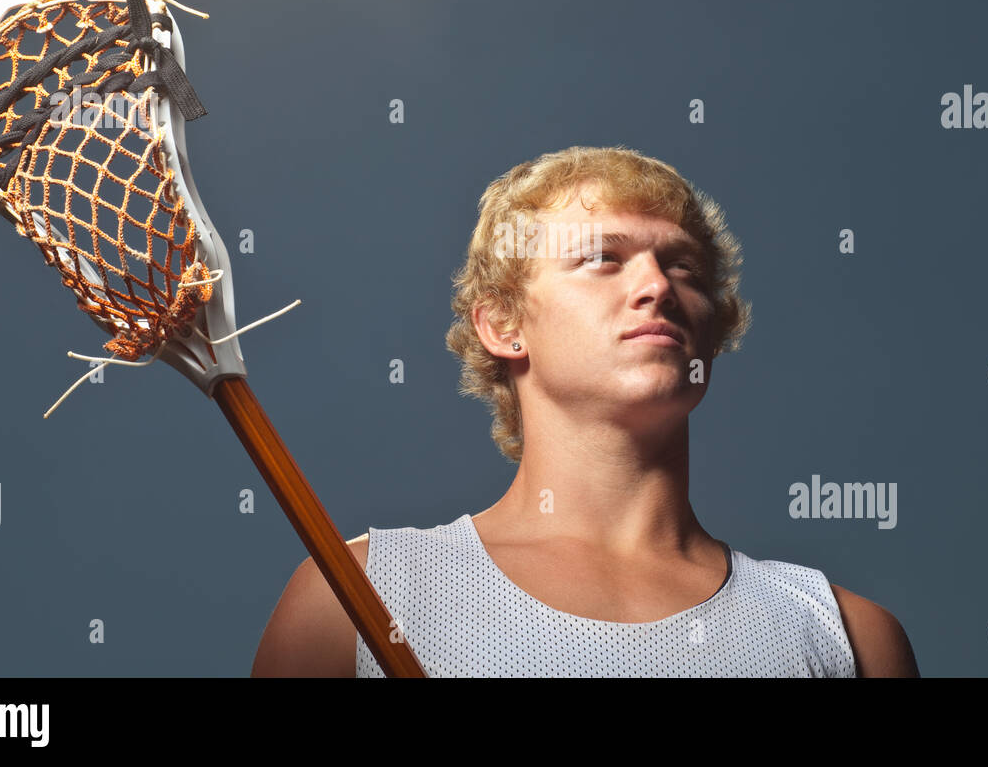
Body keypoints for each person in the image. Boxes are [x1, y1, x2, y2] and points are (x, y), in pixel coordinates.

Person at [251, 145, 918, 677]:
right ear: (504, 324)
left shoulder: (847, 637)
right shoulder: (355, 598)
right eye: (603, 258)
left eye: (684, 268)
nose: (657, 286)